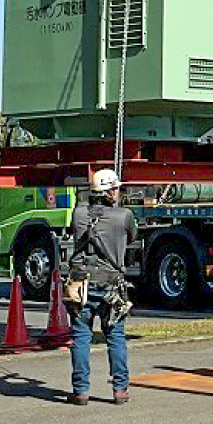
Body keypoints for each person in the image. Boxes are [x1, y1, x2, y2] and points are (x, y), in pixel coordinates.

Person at [68, 168, 137, 405]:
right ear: (109, 192)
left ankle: (80, 391)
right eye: (116, 188)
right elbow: (133, 237)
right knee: (116, 336)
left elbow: (75, 233)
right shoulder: (124, 216)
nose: (119, 191)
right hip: (111, 284)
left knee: (80, 336)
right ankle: (120, 389)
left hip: (80, 283)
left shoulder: (78, 213)